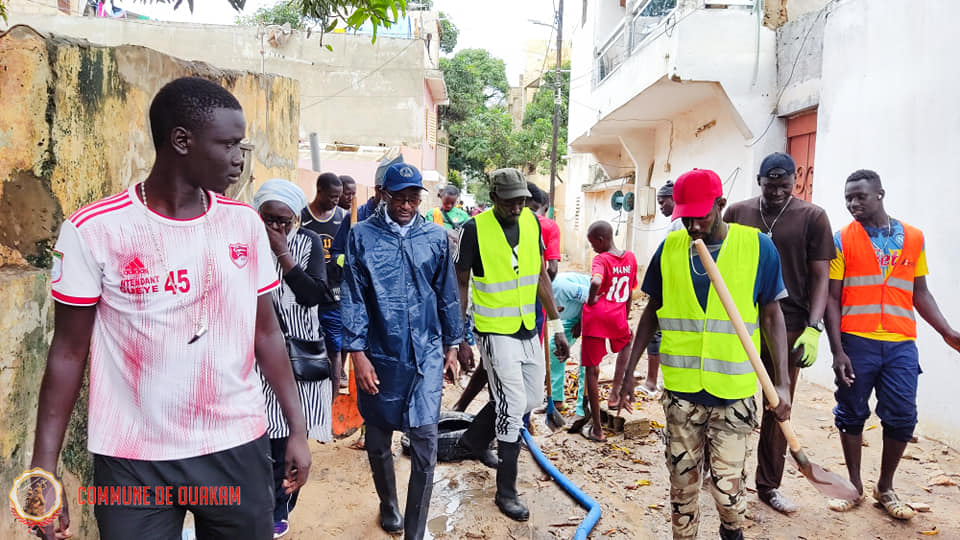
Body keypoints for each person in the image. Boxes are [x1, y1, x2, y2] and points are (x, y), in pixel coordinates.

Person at [31, 77, 310, 540]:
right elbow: (66, 353)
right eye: (229, 144)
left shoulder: (243, 225)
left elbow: (266, 334)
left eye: (242, 144)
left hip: (234, 450)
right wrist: (44, 468)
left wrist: (295, 428)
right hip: (133, 462)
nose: (240, 158)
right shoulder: (95, 231)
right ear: (182, 140)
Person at [615, 168, 792, 540]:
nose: (693, 225)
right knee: (682, 489)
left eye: (701, 215)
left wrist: (783, 383)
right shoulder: (670, 250)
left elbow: (773, 315)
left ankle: (732, 532)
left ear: (721, 205)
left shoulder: (758, 247)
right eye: (685, 217)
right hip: (682, 396)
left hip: (733, 396)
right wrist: (630, 372)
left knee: (728, 495)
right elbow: (652, 312)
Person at [823, 169, 960, 519]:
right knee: (851, 412)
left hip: (900, 343)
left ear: (880, 194)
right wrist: (838, 350)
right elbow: (832, 299)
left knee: (901, 417)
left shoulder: (913, 238)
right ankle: (854, 486)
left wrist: (946, 331)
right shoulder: (841, 239)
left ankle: (885, 487)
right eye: (848, 198)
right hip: (857, 342)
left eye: (860, 197)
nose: (853, 203)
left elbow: (920, 291)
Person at [340, 162, 462, 539]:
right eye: (399, 197)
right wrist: (357, 354)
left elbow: (447, 294)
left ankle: (415, 528)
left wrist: (453, 344)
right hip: (380, 353)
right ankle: (389, 504)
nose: (407, 205)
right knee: (378, 442)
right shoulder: (361, 236)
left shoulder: (435, 237)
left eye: (413, 197)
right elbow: (354, 298)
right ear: (383, 195)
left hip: (424, 352)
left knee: (425, 442)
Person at [452, 168, 570, 521]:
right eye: (510, 201)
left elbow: (539, 276)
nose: (517, 207)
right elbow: (460, 282)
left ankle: (473, 440)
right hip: (493, 331)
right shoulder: (474, 229)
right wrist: (461, 337)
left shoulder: (533, 224)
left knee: (531, 399)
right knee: (512, 406)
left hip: (527, 327)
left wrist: (556, 324)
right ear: (494, 199)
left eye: (521, 200)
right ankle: (507, 490)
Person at [723, 152, 834, 514]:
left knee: (778, 405)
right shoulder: (737, 213)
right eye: (770, 187)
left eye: (784, 187)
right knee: (728, 398)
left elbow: (821, 278)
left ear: (795, 182)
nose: (776, 193)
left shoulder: (813, 217)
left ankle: (768, 485)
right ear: (759, 181)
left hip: (787, 324)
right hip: (739, 323)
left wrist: (814, 328)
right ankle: (724, 476)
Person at [254, 179, 337, 538]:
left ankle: (281, 508)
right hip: (255, 359)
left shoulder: (309, 243)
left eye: (284, 221)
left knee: (290, 438)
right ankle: (265, 511)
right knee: (262, 441)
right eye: (269, 219)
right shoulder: (245, 245)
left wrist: (283, 253)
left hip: (298, 361)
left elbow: (313, 295)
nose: (276, 227)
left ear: (295, 220)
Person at [581, 221, 638, 441]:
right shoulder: (630, 258)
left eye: (592, 243)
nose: (592, 248)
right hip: (617, 315)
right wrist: (625, 315)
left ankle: (597, 429)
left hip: (596, 317)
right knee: (626, 342)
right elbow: (630, 293)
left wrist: (591, 298)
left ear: (601, 239)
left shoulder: (601, 259)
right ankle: (615, 394)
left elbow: (596, 280)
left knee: (592, 372)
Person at [635, 180, 684, 399]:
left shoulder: (679, 224)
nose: (661, 206)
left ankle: (652, 382)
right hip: (674, 289)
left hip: (673, 290)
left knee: (657, 334)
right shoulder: (677, 222)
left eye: (663, 201)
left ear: (675, 199)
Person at [302, 173, 348, 391]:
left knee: (335, 346)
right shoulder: (302, 216)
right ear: (318, 190)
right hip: (307, 294)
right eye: (331, 196)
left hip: (334, 294)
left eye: (338, 197)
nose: (335, 201)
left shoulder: (343, 217)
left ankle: (333, 395)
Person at [548, 273, 590, 418]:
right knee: (555, 348)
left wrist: (581, 323)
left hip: (592, 311)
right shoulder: (531, 301)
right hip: (571, 316)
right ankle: (556, 400)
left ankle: (582, 411)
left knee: (586, 358)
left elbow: (592, 297)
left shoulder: (561, 287)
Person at [526, 184, 561, 280]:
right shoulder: (550, 226)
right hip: (534, 284)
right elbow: (553, 269)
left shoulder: (515, 221)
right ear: (546, 208)